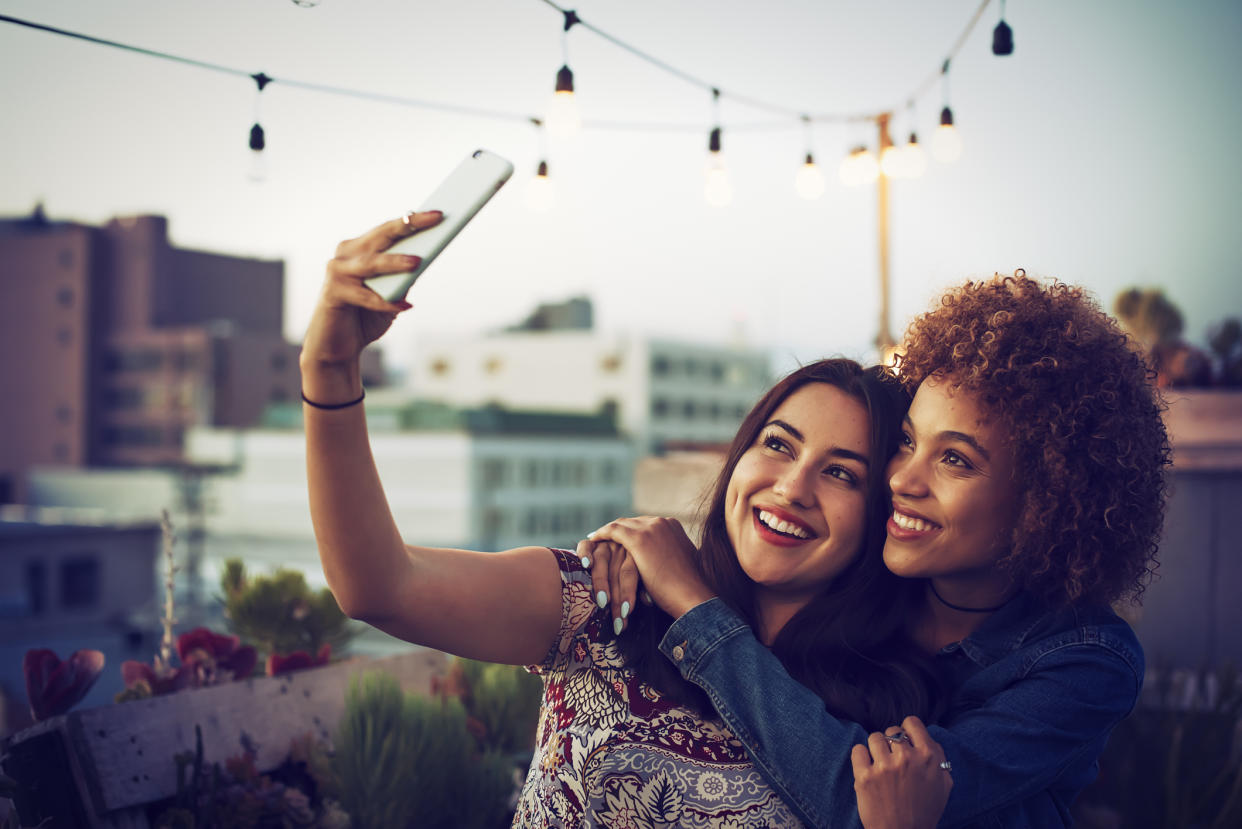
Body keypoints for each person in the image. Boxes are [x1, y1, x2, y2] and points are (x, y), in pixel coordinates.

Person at [300, 212, 952, 827]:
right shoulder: (610, 599)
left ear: (881, 513)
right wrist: (329, 368)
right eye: (778, 443)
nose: (792, 486)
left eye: (841, 472)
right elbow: (380, 587)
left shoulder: (890, 721)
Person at [586, 271, 1169, 828]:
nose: (901, 480)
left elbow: (862, 803)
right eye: (908, 442)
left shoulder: (1084, 660)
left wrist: (694, 606)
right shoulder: (871, 574)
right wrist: (640, 557)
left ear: (1048, 500)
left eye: (955, 460)